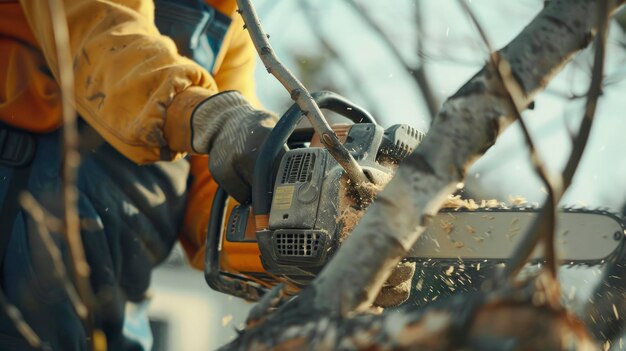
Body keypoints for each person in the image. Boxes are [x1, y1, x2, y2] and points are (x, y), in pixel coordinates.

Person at [0, 0, 414, 349]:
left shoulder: (228, 19)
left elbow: (219, 194)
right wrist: (203, 111)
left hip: (124, 264)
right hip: (22, 200)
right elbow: (100, 33)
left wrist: (302, 250)